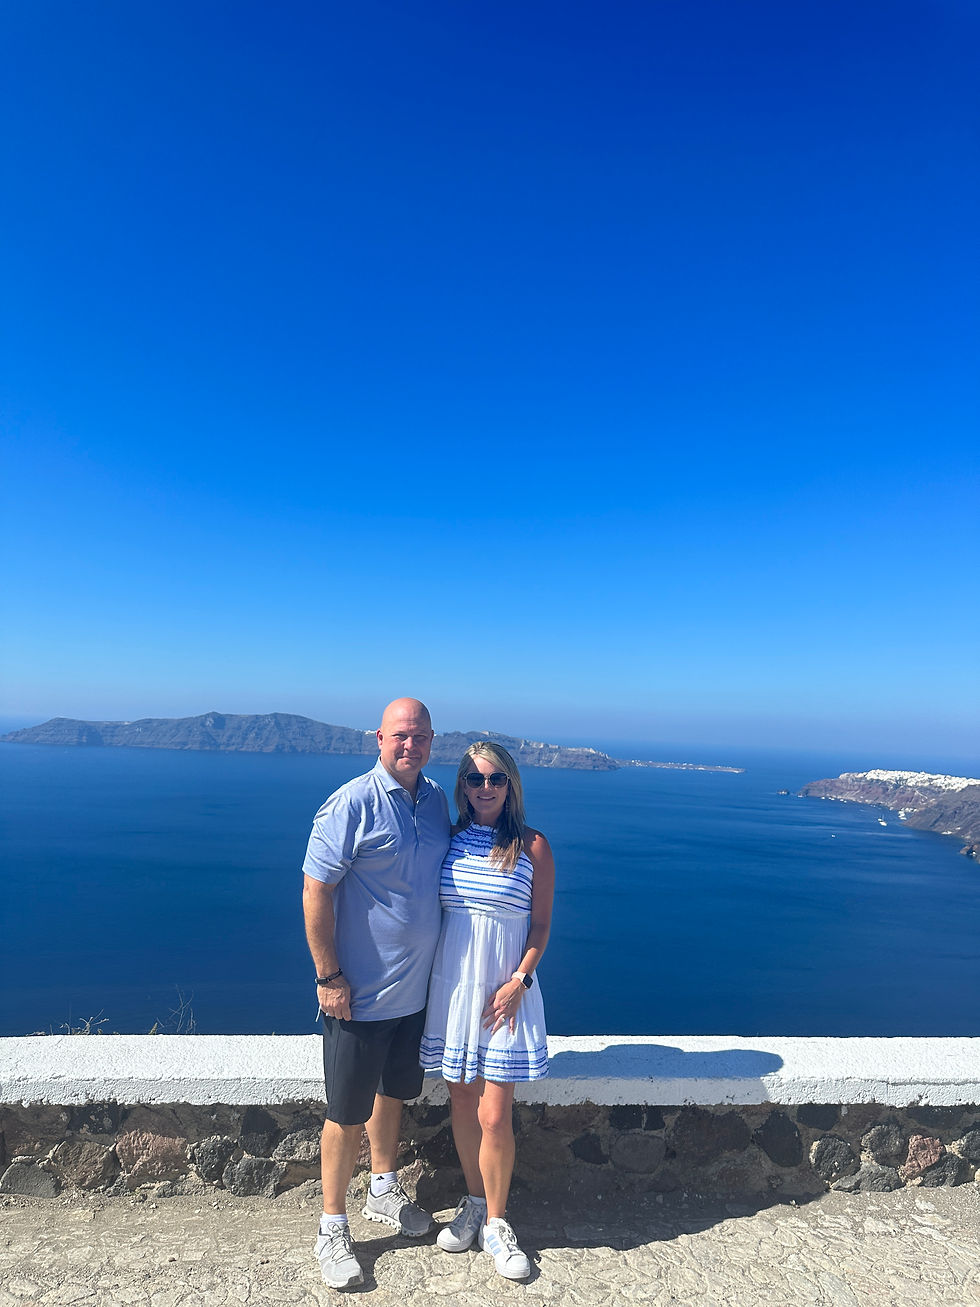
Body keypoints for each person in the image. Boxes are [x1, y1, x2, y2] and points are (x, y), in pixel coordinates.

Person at [302, 697, 451, 1290]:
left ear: (431, 742)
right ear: (379, 740)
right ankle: (332, 1225)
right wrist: (328, 976)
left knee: (393, 1097)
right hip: (358, 997)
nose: (408, 745)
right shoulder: (351, 804)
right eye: (398, 736)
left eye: (418, 737)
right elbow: (316, 891)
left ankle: (383, 1189)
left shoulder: (437, 800)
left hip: (414, 996)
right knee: (344, 1113)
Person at [420, 742, 555, 1281]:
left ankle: (497, 1222)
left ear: (511, 784)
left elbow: (540, 925)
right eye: (475, 779)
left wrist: (520, 979)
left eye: (496, 778)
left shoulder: (532, 845)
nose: (485, 787)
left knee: (495, 1114)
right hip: (454, 989)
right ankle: (474, 1201)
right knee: (461, 1101)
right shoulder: (448, 842)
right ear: (463, 787)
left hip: (506, 994)